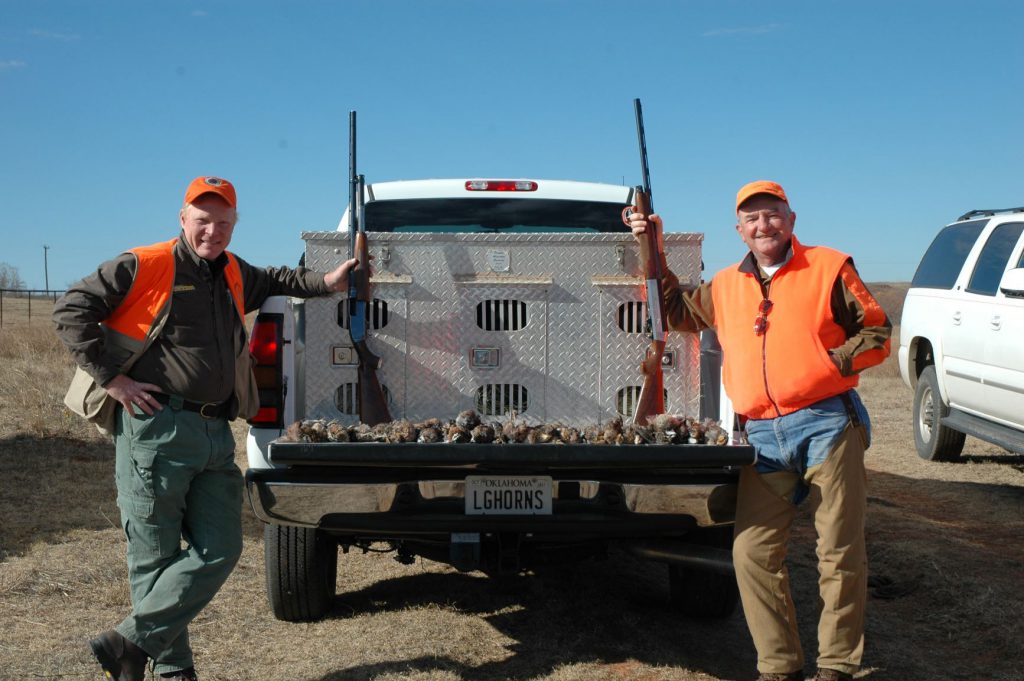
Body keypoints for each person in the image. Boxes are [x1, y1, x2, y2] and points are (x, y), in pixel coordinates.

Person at [53, 176, 357, 681]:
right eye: (202, 221)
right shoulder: (144, 264)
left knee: (222, 547)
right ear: (182, 219)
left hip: (216, 433)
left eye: (222, 223)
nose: (211, 232)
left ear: (234, 225)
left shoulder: (234, 272)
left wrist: (327, 284)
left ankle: (130, 642)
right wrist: (115, 381)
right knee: (155, 553)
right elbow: (71, 311)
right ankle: (173, 671)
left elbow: (281, 278)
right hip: (156, 427)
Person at [628, 180, 891, 681]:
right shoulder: (726, 285)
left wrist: (828, 363)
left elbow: (876, 331)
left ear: (791, 221)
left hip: (827, 423)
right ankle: (779, 667)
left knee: (838, 552)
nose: (763, 225)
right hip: (763, 438)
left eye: (772, 215)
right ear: (740, 231)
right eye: (752, 219)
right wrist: (653, 248)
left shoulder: (830, 267)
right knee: (751, 553)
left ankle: (835, 667)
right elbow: (678, 313)